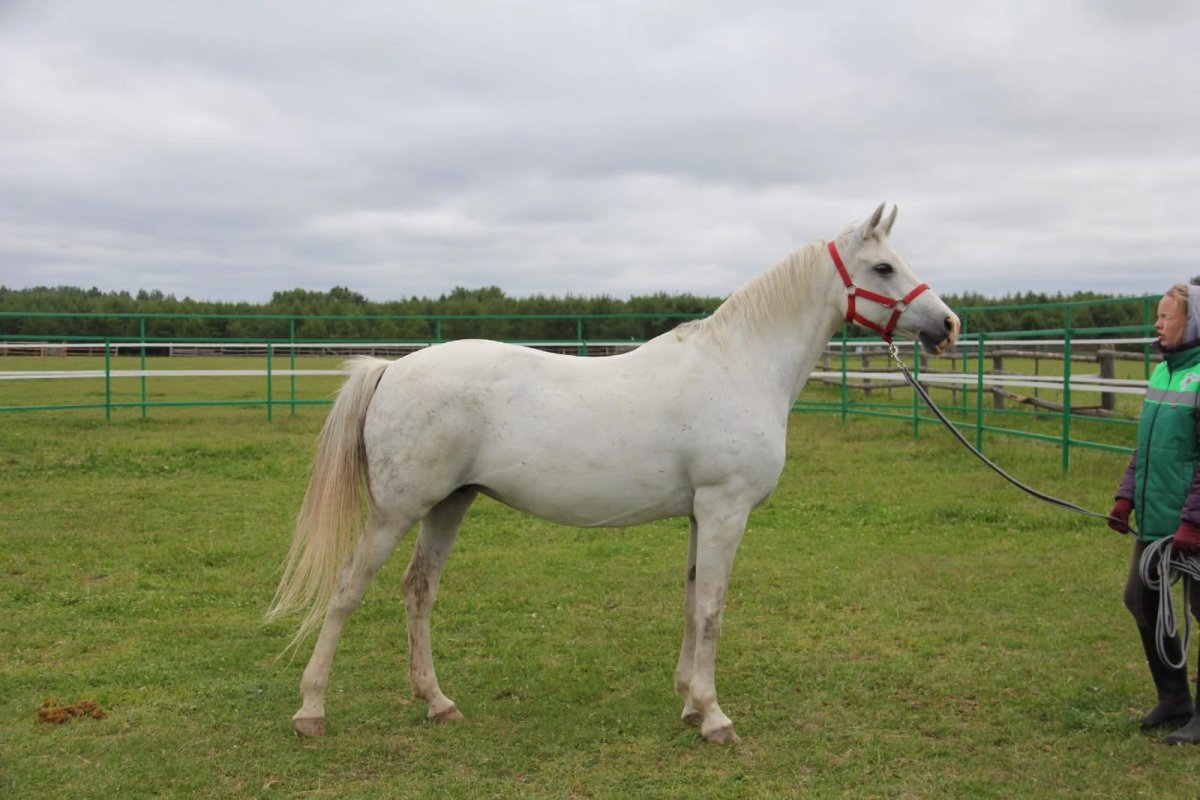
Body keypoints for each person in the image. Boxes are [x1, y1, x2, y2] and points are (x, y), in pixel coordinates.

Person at [1109, 282, 1200, 744]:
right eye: (1159, 316)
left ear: (1192, 321)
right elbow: (1145, 447)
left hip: (1191, 525)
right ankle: (1174, 698)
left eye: (1166, 316)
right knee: (1142, 601)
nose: (1157, 324)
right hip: (1157, 520)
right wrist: (1127, 496)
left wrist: (1194, 521)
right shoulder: (1163, 372)